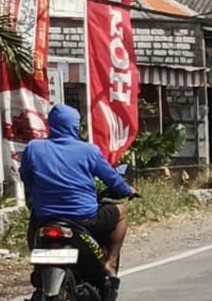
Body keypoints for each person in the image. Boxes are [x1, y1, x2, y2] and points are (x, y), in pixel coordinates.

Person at [16, 103, 134, 281]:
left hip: (46, 216)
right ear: (75, 126)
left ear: (51, 124)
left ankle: (37, 266)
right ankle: (110, 261)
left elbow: (26, 177)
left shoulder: (34, 148)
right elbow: (112, 179)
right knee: (121, 212)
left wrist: (39, 194)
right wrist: (127, 190)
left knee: (33, 223)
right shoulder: (89, 151)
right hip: (84, 217)